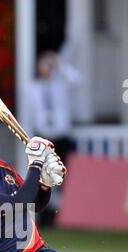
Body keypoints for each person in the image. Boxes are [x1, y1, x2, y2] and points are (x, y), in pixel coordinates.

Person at [22, 50, 80, 226]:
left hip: (62, 137)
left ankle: (63, 214)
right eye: (44, 64)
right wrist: (29, 140)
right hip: (43, 139)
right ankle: (44, 214)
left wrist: (59, 63)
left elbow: (77, 80)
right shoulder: (31, 88)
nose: (47, 68)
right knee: (44, 178)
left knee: (63, 176)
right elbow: (28, 115)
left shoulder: (60, 84)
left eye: (49, 65)